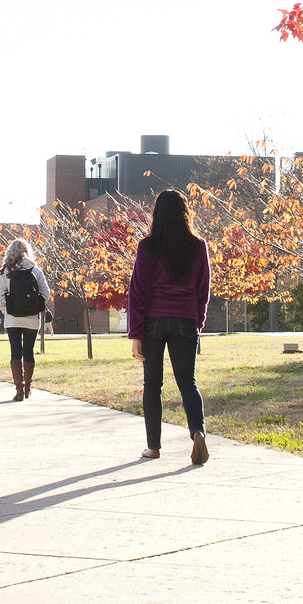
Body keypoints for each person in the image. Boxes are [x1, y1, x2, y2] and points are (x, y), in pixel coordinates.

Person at [127, 189, 212, 464]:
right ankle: (198, 432)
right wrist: (197, 321)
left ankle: (153, 447)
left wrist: (136, 333)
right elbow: (203, 290)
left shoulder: (147, 246)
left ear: (156, 214)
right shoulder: (198, 246)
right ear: (185, 213)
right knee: (187, 381)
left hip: (153, 321)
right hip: (185, 319)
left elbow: (138, 292)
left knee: (152, 384)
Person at [0, 237, 51, 401]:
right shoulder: (35, 270)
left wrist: (7, 311)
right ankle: (28, 386)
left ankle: (18, 389)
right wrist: (36, 306)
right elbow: (45, 293)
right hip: (32, 319)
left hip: (12, 319)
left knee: (15, 352)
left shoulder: (7, 272)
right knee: (29, 352)